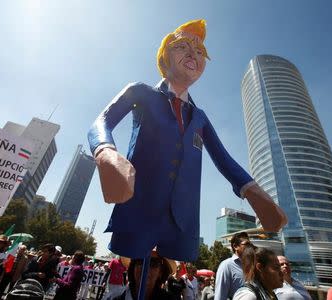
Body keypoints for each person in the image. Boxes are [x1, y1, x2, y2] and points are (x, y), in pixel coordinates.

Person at [87, 19, 287, 263]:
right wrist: (106, 153)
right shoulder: (141, 92)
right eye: (182, 46)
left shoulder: (200, 117)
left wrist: (254, 193)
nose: (193, 53)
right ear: (164, 57)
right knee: (134, 274)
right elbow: (102, 122)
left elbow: (224, 159)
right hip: (138, 208)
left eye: (200, 51)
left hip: (183, 220)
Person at [214, 232, 251, 300]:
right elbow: (220, 296)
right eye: (247, 244)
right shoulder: (226, 265)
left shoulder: (252, 265)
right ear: (235, 246)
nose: (250, 247)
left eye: (250, 244)